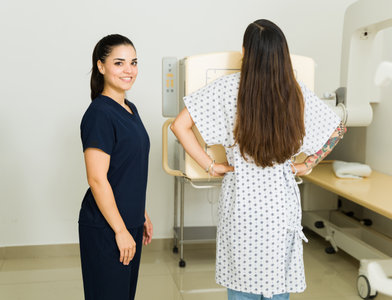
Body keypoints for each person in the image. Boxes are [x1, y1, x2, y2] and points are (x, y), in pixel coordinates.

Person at [171, 19, 346, 300]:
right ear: (281, 54)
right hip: (281, 207)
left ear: (245, 51)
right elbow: (337, 131)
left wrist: (210, 165)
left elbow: (179, 126)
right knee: (277, 286)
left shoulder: (226, 89)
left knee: (242, 287)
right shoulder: (295, 92)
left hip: (241, 207)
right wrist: (306, 164)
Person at [78, 34, 153, 300]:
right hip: (107, 227)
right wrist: (120, 230)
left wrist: (140, 213)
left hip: (128, 221)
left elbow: (127, 167)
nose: (129, 70)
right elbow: (97, 179)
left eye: (133, 63)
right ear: (101, 66)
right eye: (119, 63)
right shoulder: (100, 113)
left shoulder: (130, 108)